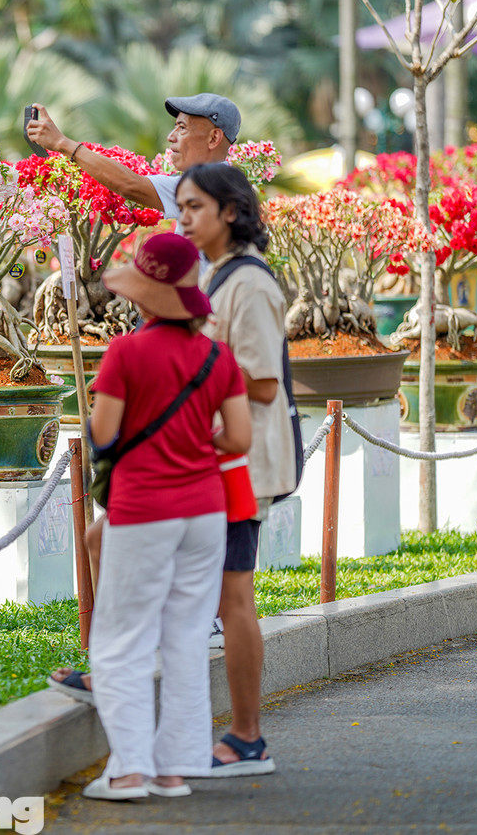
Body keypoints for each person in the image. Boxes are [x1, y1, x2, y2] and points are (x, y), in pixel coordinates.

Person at [78, 232, 251, 801]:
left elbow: (103, 434)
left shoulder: (125, 352)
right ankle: (176, 767)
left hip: (142, 509)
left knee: (121, 641)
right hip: (205, 513)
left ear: (145, 295)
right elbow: (240, 438)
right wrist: (196, 445)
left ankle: (130, 770)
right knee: (185, 638)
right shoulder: (216, 356)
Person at [177, 161, 297, 777]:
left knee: (234, 599)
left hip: (239, 466)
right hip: (214, 460)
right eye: (181, 207)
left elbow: (265, 383)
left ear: (230, 211)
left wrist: (188, 372)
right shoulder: (217, 277)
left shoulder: (249, 285)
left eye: (195, 206)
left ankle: (248, 736)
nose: (184, 218)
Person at [25, 93, 241, 222]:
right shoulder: (225, 182)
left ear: (214, 138)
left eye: (182, 128)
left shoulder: (210, 187)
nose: (170, 137)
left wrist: (62, 144)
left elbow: (130, 185)